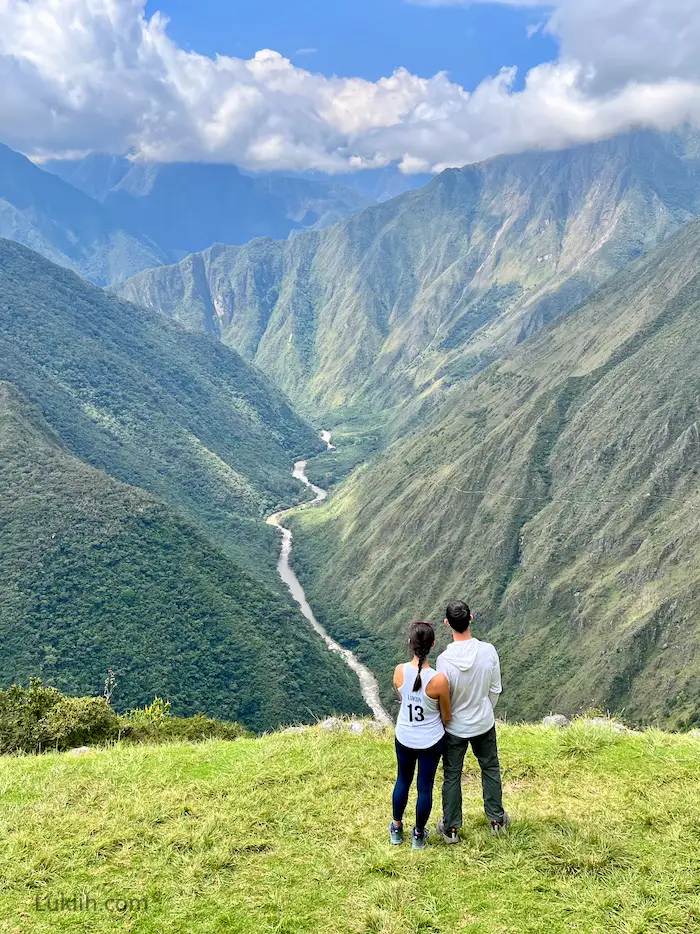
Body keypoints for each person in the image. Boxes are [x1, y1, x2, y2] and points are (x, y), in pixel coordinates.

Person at [436, 600, 509, 843]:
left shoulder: (444, 661)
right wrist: (485, 710)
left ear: (448, 624)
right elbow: (495, 689)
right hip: (483, 724)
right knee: (489, 768)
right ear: (471, 618)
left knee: (452, 775)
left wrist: (448, 719)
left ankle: (451, 828)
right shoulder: (488, 651)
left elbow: (443, 699)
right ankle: (496, 819)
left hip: (455, 727)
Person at [389, 621, 451, 850]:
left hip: (404, 737)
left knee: (402, 780)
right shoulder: (438, 680)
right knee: (424, 787)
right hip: (430, 741)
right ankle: (418, 835)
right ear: (433, 645)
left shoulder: (399, 671)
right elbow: (446, 716)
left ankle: (396, 828)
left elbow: (402, 696)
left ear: (410, 644)